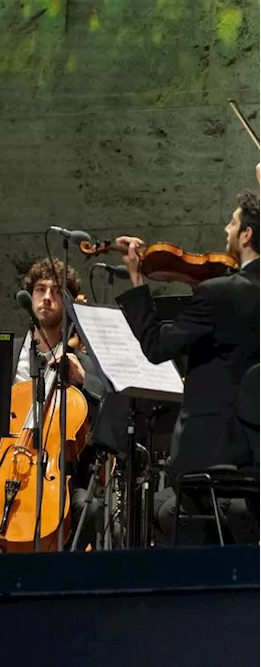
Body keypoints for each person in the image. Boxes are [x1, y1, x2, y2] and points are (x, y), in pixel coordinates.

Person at [114, 190, 261, 543]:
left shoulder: (218, 294)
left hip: (213, 450)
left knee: (155, 511)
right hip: (254, 451)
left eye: (232, 222)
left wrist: (136, 278)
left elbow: (156, 346)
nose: (226, 230)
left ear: (247, 235)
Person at [0, 259, 105, 552]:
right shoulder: (2, 356)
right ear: (30, 297)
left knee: (90, 506)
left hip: (54, 473)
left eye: (56, 291)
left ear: (70, 304)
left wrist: (81, 381)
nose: (47, 297)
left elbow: (103, 423)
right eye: (40, 289)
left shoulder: (86, 365)